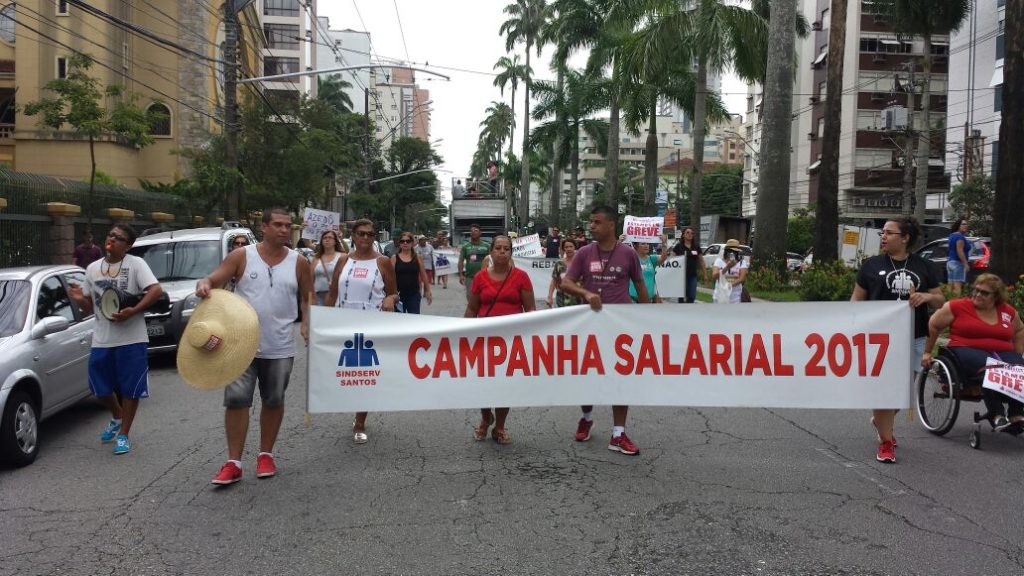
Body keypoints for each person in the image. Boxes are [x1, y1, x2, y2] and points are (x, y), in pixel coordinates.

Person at [197, 208, 313, 485]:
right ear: (264, 227)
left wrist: (308, 322)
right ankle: (233, 461)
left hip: (280, 344)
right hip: (241, 345)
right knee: (237, 401)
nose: (284, 230)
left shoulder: (298, 262)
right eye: (278, 225)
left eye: (288, 226)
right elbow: (215, 278)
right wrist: (205, 283)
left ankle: (265, 454)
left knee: (273, 400)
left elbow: (308, 297)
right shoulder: (242, 256)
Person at [560, 205, 649, 455]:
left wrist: (649, 318)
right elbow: (566, 282)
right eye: (591, 222)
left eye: (597, 222)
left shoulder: (628, 254)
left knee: (621, 377)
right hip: (589, 325)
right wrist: (586, 293)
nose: (592, 226)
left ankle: (618, 434)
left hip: (620, 328)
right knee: (587, 376)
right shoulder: (584, 253)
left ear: (611, 225)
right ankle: (587, 418)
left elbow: (640, 285)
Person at [853, 216, 943, 463]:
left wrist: (924, 297)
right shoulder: (871, 266)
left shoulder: (923, 266)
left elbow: (940, 300)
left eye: (889, 233)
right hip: (879, 338)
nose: (883, 236)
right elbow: (856, 301)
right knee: (885, 392)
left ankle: (882, 420)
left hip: (914, 336)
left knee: (902, 393)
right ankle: (886, 441)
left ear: (905, 238)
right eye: (882, 232)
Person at [67, 224, 163, 456]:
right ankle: (117, 416)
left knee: (131, 389)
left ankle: (124, 434)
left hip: (132, 338)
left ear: (128, 245)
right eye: (110, 234)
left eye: (118, 238)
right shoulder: (91, 269)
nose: (112, 239)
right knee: (98, 388)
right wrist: (80, 299)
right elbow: (90, 308)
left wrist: (134, 310)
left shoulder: (136, 264)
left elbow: (155, 290)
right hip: (102, 338)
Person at [326, 219, 398, 444]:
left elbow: (394, 292)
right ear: (353, 236)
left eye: (370, 234)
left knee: (363, 376)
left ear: (374, 237)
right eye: (361, 234)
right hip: (343, 323)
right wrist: (322, 321)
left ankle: (359, 421)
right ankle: (354, 409)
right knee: (345, 373)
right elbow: (332, 293)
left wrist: (389, 298)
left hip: (370, 326)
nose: (365, 238)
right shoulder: (343, 261)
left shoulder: (383, 262)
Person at [923, 273, 1024, 434]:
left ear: (996, 296)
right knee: (992, 370)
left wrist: (1018, 354)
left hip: (1002, 352)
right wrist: (927, 352)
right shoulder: (956, 306)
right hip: (965, 350)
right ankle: (997, 414)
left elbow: (1019, 329)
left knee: (1019, 370)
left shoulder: (1008, 312)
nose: (977, 294)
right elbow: (933, 325)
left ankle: (1016, 414)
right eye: (975, 290)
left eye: (984, 293)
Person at [464, 236, 536, 444]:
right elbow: (472, 308)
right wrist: (461, 333)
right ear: (491, 252)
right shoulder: (479, 278)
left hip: (511, 342)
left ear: (511, 252)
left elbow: (530, 310)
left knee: (505, 386)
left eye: (506, 248)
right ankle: (486, 418)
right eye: (498, 248)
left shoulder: (521, 277)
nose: (502, 252)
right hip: (484, 340)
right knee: (483, 384)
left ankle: (500, 427)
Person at [392, 231, 432, 314]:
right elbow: (390, 277)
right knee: (398, 322)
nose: (405, 243)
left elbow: (424, 275)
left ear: (412, 243)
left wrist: (428, 290)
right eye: (402, 241)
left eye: (408, 241)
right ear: (399, 243)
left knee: (413, 321)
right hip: (398, 295)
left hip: (413, 294)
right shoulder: (394, 258)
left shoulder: (417, 257)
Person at [629, 234, 669, 303]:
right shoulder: (631, 259)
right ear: (636, 246)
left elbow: (663, 257)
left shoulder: (651, 258)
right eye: (643, 244)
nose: (646, 245)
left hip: (648, 300)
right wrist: (620, 243)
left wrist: (664, 243)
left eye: (647, 243)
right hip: (632, 300)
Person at [672, 227, 708, 303]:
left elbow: (701, 261)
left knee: (692, 296)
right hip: (681, 276)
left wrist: (705, 274)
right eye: (687, 233)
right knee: (681, 297)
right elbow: (672, 260)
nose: (690, 234)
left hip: (692, 275)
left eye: (692, 233)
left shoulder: (696, 246)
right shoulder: (678, 246)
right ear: (683, 235)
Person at [458, 223, 490, 298]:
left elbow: (492, 261)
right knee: (471, 299)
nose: (473, 232)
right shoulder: (465, 247)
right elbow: (461, 261)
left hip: (485, 278)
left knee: (484, 298)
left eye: (476, 230)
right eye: (471, 231)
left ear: (480, 233)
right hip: (470, 278)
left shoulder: (487, 246)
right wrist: (461, 275)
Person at [711, 239, 749, 303]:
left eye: (734, 251)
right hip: (720, 295)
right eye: (730, 251)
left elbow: (742, 279)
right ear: (726, 251)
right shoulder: (719, 261)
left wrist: (729, 286)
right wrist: (727, 267)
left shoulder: (742, 262)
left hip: (735, 297)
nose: (732, 253)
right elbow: (714, 276)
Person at [312, 230, 343, 305]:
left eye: (330, 237)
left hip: (336, 297)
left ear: (335, 241)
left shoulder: (342, 256)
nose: (327, 239)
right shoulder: (316, 258)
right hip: (318, 297)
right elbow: (310, 279)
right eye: (324, 238)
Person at [546, 238, 580, 308]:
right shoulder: (559, 264)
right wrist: (550, 296)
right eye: (566, 247)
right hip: (562, 299)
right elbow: (554, 281)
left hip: (579, 299)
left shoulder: (581, 262)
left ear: (575, 247)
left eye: (571, 246)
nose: (569, 249)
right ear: (563, 249)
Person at [947, 218, 970, 297]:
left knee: (950, 287)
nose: (965, 226)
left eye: (966, 224)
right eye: (963, 224)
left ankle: (948, 304)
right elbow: (959, 251)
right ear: (958, 226)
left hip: (950, 263)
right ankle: (955, 307)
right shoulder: (960, 237)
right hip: (958, 264)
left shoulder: (952, 235)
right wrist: (965, 264)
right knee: (957, 288)